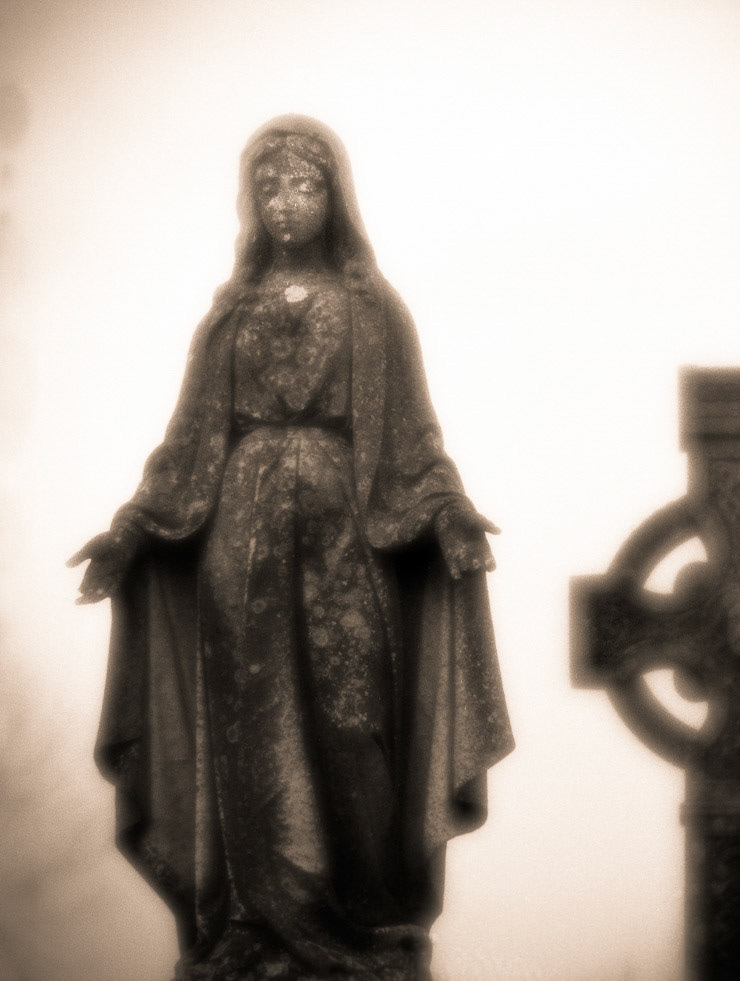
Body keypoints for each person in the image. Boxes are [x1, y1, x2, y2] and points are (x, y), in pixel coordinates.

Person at [69, 115, 514, 981]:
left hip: (350, 541)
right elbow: (188, 441)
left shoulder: (372, 309)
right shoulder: (229, 316)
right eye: (267, 186)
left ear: (334, 195)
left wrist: (451, 513)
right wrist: (129, 533)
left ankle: (367, 913)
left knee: (357, 722)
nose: (284, 203)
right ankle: (249, 918)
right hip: (239, 542)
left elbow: (417, 437)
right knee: (249, 729)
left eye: (303, 184)